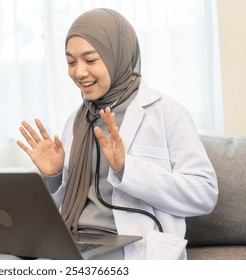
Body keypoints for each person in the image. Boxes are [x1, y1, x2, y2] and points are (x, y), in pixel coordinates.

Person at [16, 8, 218, 260]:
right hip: (75, 245)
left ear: (117, 56)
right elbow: (67, 208)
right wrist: (54, 177)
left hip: (132, 250)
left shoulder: (167, 113)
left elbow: (204, 194)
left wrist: (127, 169)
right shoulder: (76, 121)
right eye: (71, 62)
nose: (79, 72)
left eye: (90, 60)